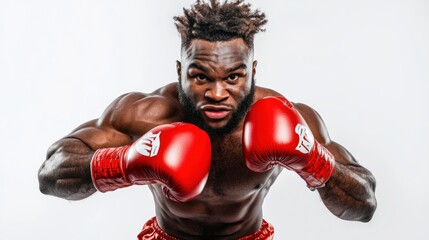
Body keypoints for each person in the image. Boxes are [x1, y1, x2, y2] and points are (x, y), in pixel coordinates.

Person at [38, 0, 377, 239]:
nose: (217, 93)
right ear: (180, 71)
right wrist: (123, 163)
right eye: (201, 77)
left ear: (252, 72)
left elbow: (364, 204)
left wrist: (313, 160)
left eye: (233, 77)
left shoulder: (289, 118)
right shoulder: (144, 116)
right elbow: (51, 173)